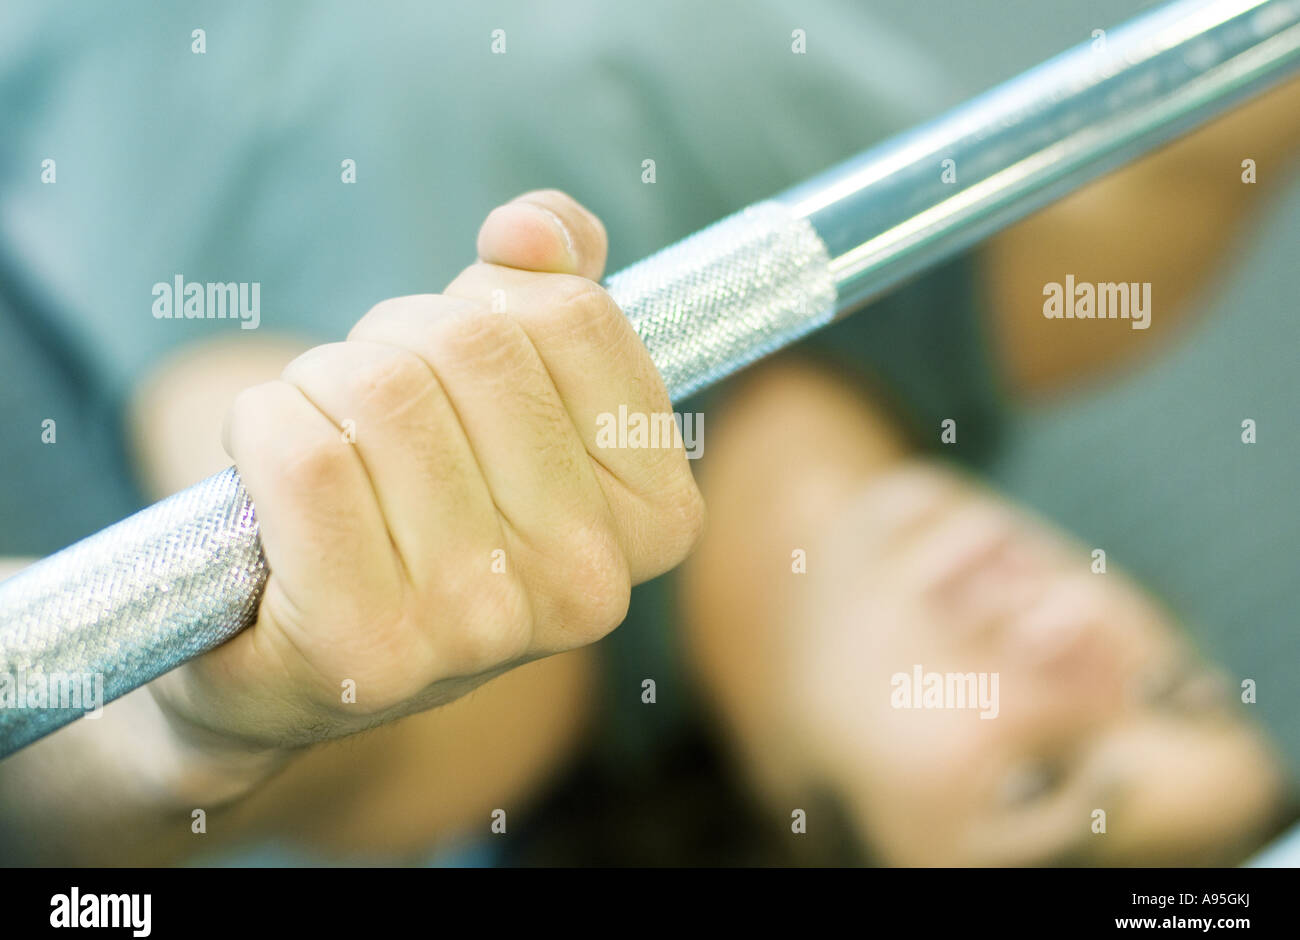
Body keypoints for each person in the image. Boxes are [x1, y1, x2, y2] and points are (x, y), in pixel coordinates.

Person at [1, 0, 1298, 865]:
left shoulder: (476, 675)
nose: (1078, 650)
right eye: (1173, 686)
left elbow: (86, 762)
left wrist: (201, 723)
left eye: (1039, 777)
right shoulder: (1081, 272)